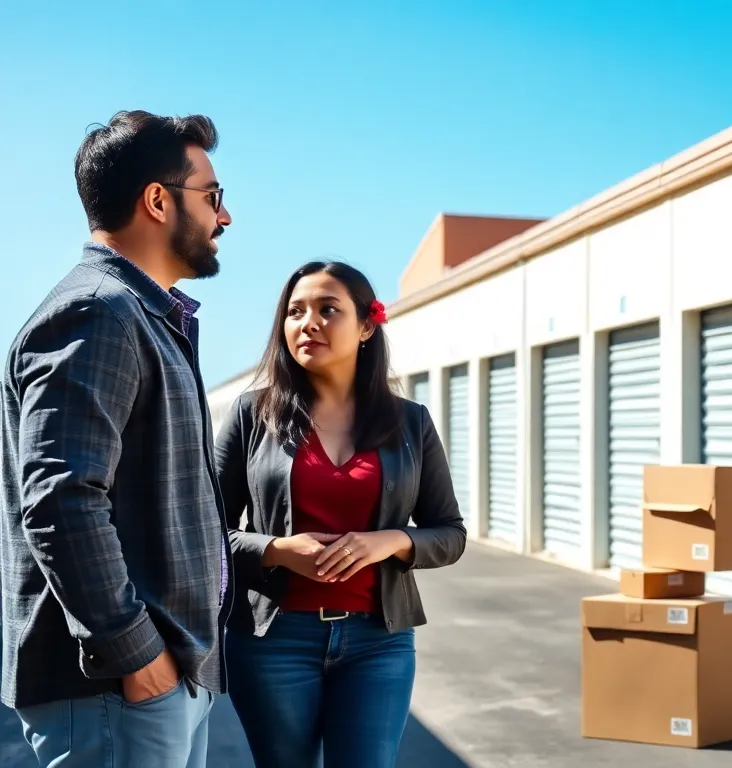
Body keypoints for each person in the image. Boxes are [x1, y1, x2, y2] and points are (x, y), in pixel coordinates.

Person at [0, 111, 234, 767]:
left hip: (161, 679)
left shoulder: (140, 313)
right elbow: (61, 500)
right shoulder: (97, 311)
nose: (226, 216)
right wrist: (136, 652)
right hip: (117, 686)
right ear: (158, 201)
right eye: (212, 196)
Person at [215, 260, 467, 768]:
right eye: (295, 311)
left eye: (328, 309)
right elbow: (201, 532)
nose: (307, 322)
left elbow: (450, 533)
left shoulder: (410, 422)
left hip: (378, 642)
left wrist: (392, 540)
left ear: (367, 326)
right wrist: (276, 550)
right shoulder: (251, 414)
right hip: (274, 642)